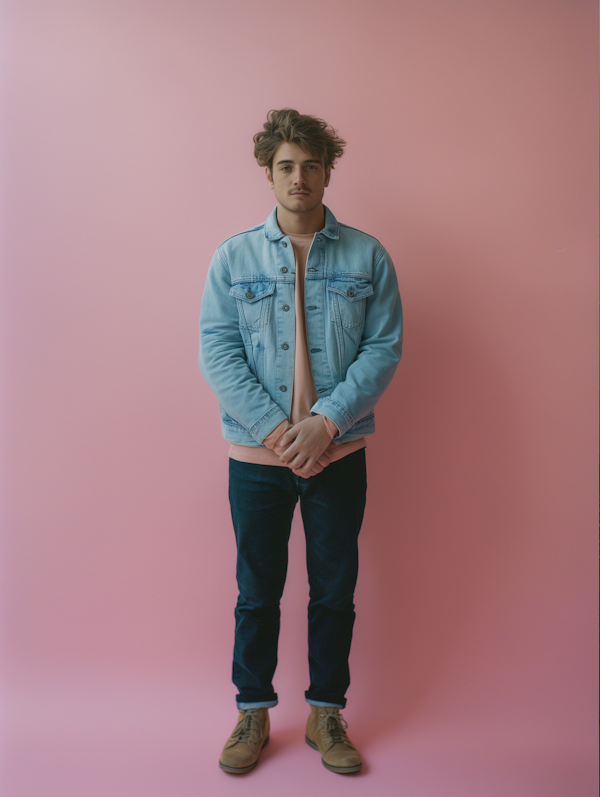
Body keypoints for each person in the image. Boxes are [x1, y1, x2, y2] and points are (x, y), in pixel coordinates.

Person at [198, 108, 403, 775]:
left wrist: (328, 421)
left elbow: (383, 347)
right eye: (286, 165)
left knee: (334, 588)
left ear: (326, 171)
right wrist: (279, 430)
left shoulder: (367, 254)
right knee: (256, 588)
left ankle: (325, 713)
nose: (299, 177)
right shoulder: (233, 256)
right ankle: (252, 712)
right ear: (269, 172)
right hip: (257, 458)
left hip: (339, 455)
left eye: (311, 164)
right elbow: (218, 348)